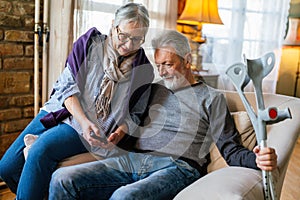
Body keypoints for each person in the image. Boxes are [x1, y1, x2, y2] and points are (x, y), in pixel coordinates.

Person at [48, 30, 278, 200]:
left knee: (124, 198)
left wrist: (256, 159)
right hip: (133, 159)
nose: (162, 71)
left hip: (178, 167)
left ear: (187, 60)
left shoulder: (212, 98)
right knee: (63, 179)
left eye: (168, 64)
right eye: (158, 65)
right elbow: (130, 124)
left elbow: (230, 149)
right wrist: (114, 136)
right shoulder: (153, 89)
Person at [0, 3, 154, 200]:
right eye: (123, 35)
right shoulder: (90, 43)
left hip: (94, 127)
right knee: (7, 168)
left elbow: (136, 114)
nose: (128, 45)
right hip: (63, 111)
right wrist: (83, 120)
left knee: (41, 150)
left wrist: (120, 133)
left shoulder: (144, 70)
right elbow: (66, 86)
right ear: (113, 24)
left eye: (136, 39)